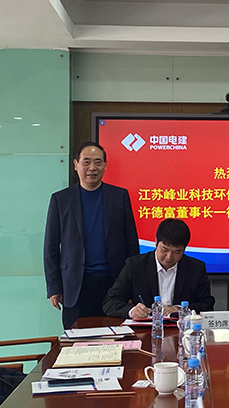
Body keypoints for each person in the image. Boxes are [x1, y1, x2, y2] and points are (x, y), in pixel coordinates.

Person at [43, 141, 139, 329]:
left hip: (113, 283)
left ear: (105, 165)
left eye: (98, 162)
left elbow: (131, 243)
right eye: (86, 162)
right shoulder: (61, 199)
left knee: (114, 338)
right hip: (75, 284)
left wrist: (133, 285)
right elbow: (50, 247)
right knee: (76, 339)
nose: (92, 168)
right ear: (76, 165)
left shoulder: (119, 196)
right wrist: (54, 288)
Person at [103, 218, 215, 318]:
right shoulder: (135, 265)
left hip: (181, 329)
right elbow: (110, 302)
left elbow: (207, 304)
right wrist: (132, 311)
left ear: (184, 249)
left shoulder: (195, 268)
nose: (169, 257)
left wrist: (179, 309)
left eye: (177, 252)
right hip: (146, 329)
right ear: (156, 241)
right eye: (164, 249)